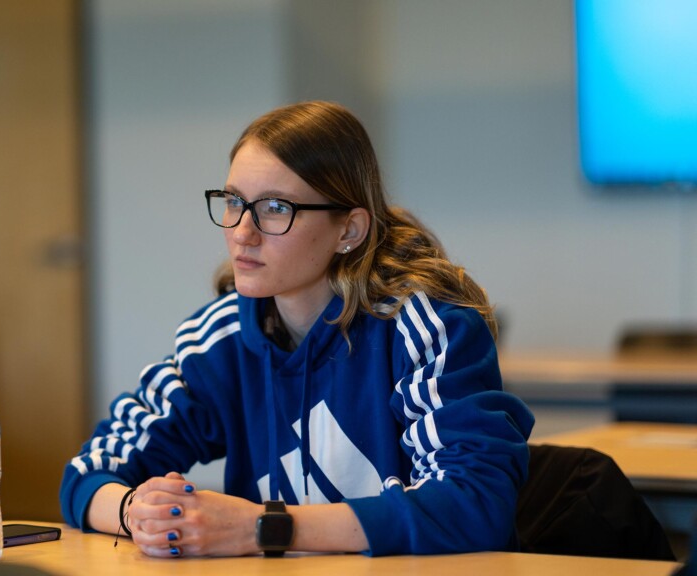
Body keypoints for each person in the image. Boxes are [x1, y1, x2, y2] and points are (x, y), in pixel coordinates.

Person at [59, 100, 534, 558]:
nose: (242, 231)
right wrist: (140, 513)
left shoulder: (423, 324)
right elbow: (89, 472)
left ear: (349, 230)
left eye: (275, 208)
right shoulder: (221, 338)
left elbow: (476, 502)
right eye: (233, 202)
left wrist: (262, 528)